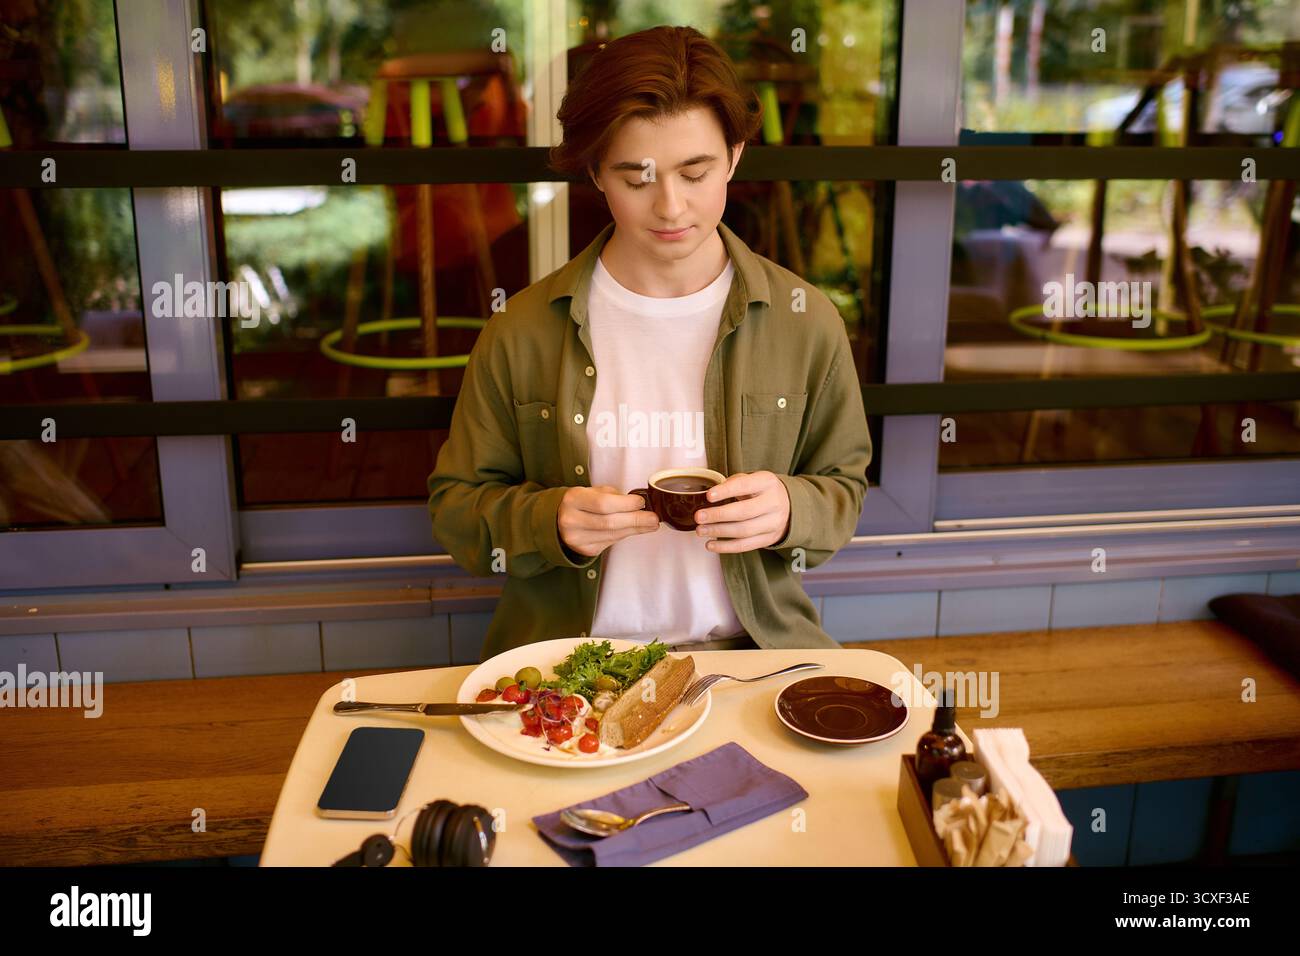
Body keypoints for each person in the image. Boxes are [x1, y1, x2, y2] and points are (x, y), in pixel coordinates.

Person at [427, 25, 871, 660]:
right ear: (595, 172)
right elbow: (458, 512)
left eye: (696, 173)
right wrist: (548, 522)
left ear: (736, 156)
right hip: (568, 670)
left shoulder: (806, 321)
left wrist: (790, 509)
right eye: (637, 178)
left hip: (748, 660)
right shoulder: (522, 329)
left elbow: (842, 489)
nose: (671, 206)